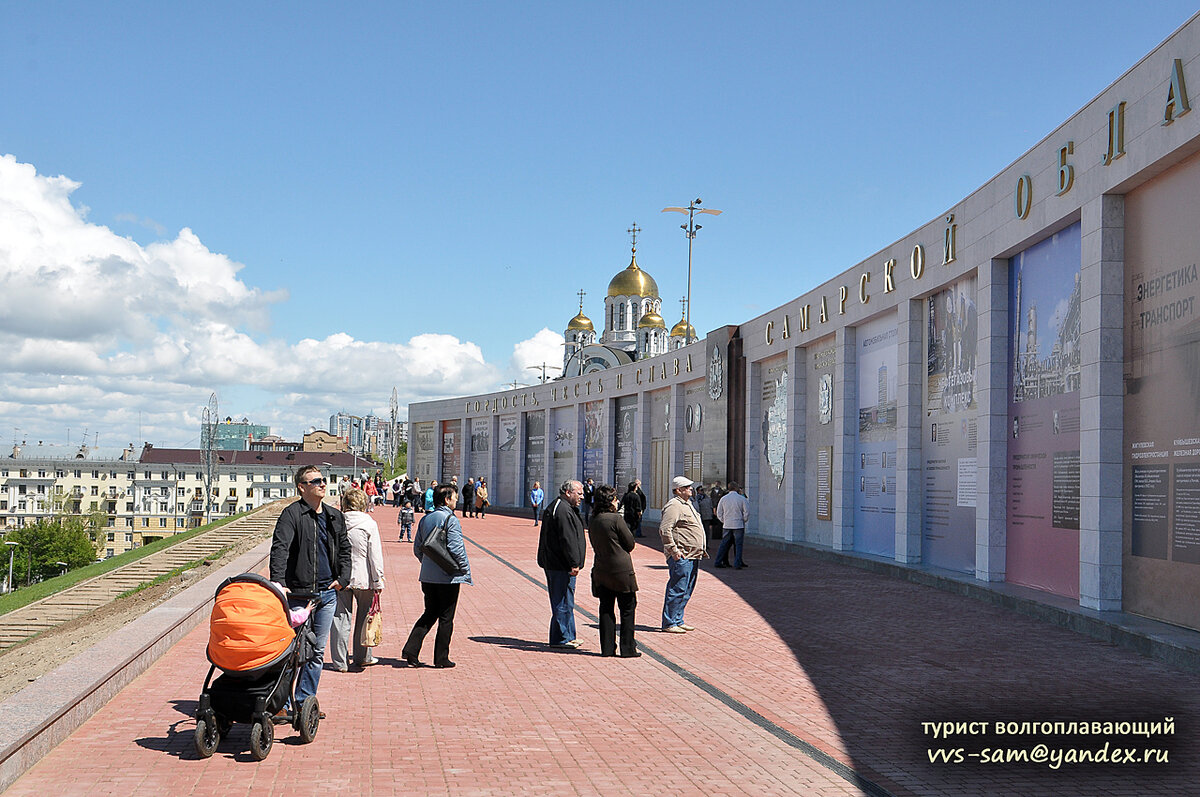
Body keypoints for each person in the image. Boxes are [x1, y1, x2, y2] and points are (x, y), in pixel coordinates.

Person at [269, 465, 350, 711]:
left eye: (323, 480)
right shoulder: (292, 515)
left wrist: (343, 578)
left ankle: (304, 703)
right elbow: (280, 549)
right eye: (315, 481)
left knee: (316, 652)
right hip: (297, 594)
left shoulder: (334, 516)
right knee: (290, 651)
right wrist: (279, 583)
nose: (322, 484)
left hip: (327, 593)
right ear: (302, 487)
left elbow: (345, 549)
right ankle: (280, 703)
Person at [403, 484, 472, 668]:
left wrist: (426, 564)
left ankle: (411, 649)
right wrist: (464, 571)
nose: (457, 500)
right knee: (446, 617)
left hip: (427, 577)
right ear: (447, 499)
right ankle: (441, 658)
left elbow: (418, 547)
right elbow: (457, 549)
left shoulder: (426, 519)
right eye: (455, 497)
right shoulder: (450, 519)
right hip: (447, 577)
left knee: (429, 613)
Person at [330, 487, 385, 671]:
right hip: (364, 577)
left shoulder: (336, 522)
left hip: (341, 577)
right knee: (364, 618)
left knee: (340, 619)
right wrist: (378, 580)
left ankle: (340, 662)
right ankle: (362, 657)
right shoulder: (369, 524)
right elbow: (374, 556)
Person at [587, 484, 640, 658]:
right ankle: (628, 647)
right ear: (610, 501)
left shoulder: (593, 518)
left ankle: (607, 648)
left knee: (606, 608)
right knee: (627, 608)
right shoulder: (615, 519)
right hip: (621, 569)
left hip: (602, 568)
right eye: (615, 499)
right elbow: (630, 543)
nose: (617, 502)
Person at [537, 480, 586, 649]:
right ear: (568, 492)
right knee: (561, 601)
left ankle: (569, 635)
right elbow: (567, 539)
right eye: (578, 493)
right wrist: (574, 562)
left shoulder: (566, 508)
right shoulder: (562, 509)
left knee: (567, 600)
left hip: (562, 563)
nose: (582, 496)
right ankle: (561, 638)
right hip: (559, 564)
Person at [658, 476, 707, 633]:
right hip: (682, 555)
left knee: (686, 589)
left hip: (693, 554)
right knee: (677, 588)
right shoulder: (674, 506)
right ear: (678, 490)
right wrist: (674, 550)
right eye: (687, 487)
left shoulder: (688, 504)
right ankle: (669, 622)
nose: (691, 489)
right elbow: (665, 529)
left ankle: (678, 619)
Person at [714, 481, 750, 569]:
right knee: (738, 545)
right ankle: (737, 563)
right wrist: (743, 520)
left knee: (724, 544)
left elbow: (719, 512)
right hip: (738, 524)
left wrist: (723, 520)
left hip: (727, 524)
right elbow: (747, 512)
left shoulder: (724, 498)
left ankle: (718, 561)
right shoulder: (741, 498)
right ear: (736, 488)